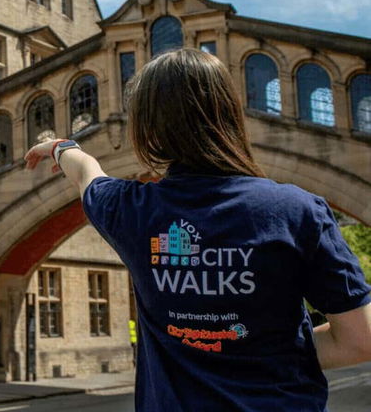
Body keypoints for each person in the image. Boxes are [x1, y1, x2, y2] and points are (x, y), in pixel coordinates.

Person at [24, 48, 371, 411]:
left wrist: (62, 147)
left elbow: (85, 171)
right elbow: (359, 340)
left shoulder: (129, 209)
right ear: (231, 114)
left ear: (147, 129)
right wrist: (268, 350)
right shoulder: (298, 211)